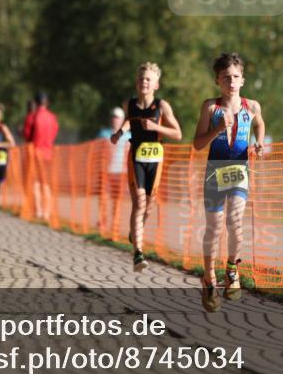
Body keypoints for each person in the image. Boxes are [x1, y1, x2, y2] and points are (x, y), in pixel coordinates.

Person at [193, 53, 265, 312]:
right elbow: (198, 143)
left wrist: (259, 142)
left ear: (243, 80)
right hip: (215, 170)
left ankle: (232, 270)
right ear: (217, 81)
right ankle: (209, 277)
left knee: (235, 222)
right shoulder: (210, 108)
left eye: (235, 77)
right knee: (214, 228)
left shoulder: (252, 105)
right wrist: (216, 129)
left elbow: (260, 124)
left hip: (239, 169)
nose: (231, 82)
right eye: (226, 78)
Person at [110, 63, 183, 272]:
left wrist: (155, 127)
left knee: (149, 205)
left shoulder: (162, 106)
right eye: (141, 78)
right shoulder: (129, 104)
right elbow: (129, 121)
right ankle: (138, 254)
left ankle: (136, 230)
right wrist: (119, 133)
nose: (144, 82)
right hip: (136, 158)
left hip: (156, 160)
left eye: (148, 79)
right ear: (136, 82)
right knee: (139, 202)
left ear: (156, 85)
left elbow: (177, 134)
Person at [25, 92, 59, 221]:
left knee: (36, 182)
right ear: (47, 102)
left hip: (35, 152)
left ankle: (39, 210)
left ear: (35, 102)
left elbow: (27, 135)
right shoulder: (52, 117)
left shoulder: (32, 117)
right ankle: (47, 211)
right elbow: (55, 131)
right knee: (46, 182)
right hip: (49, 153)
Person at [99, 107, 130, 236]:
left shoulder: (128, 136)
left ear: (122, 120)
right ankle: (102, 223)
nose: (115, 119)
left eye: (117, 117)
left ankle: (115, 225)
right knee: (103, 197)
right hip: (105, 171)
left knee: (117, 199)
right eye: (113, 116)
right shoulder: (103, 133)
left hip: (121, 172)